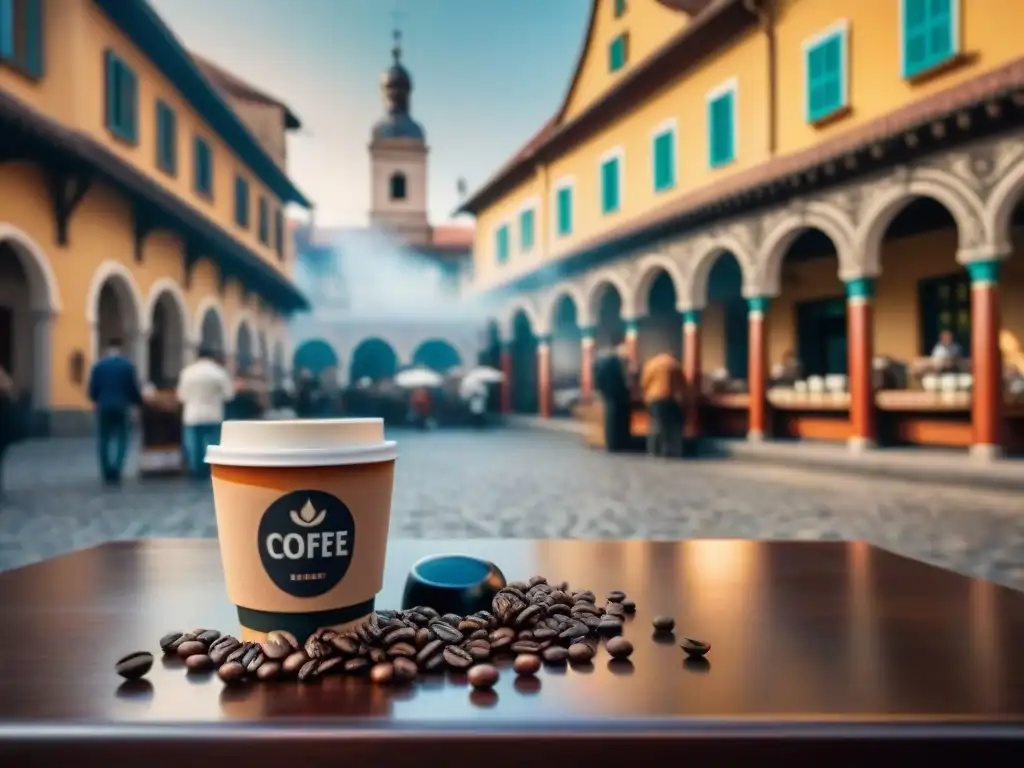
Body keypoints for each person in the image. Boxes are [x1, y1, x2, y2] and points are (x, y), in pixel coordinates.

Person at [87, 339, 143, 485]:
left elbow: (92, 389)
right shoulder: (127, 366)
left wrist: (96, 399)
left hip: (103, 406)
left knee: (104, 439)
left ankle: (106, 470)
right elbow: (132, 388)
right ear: (121, 349)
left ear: (107, 349)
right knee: (122, 438)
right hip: (122, 406)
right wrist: (137, 403)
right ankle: (117, 468)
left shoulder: (98, 366)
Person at [176, 347, 235, 479]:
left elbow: (181, 396)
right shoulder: (219, 372)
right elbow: (229, 395)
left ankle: (194, 469)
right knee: (212, 443)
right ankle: (210, 468)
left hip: (192, 414)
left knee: (193, 444)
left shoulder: (187, 372)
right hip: (213, 413)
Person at [640, 352, 685, 458]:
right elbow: (682, 383)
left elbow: (644, 382)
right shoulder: (674, 364)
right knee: (671, 426)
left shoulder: (652, 364)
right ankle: (671, 451)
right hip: (671, 397)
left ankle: (654, 450)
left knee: (656, 425)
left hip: (655, 398)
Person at [592, 343, 632, 452]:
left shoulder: (602, 360)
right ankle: (616, 444)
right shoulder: (614, 362)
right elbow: (620, 379)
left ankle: (612, 443)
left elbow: (598, 377)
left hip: (608, 393)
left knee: (610, 419)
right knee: (615, 420)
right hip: (616, 394)